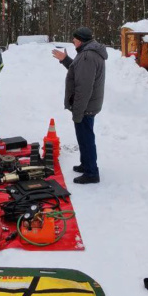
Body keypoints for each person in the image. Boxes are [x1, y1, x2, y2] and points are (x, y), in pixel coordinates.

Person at [51, 27, 107, 185]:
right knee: (84, 137)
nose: (73, 41)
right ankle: (86, 164)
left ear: (81, 40)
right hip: (88, 104)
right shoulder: (87, 53)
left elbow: (84, 87)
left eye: (74, 39)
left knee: (86, 138)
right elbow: (78, 71)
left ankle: (91, 173)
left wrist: (78, 111)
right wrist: (65, 60)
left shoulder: (87, 56)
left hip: (85, 106)